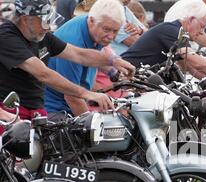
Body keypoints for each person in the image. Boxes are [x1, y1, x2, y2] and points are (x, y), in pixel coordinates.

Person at [0, 0, 134, 128]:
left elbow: (79, 54)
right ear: (25, 19)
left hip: (36, 111)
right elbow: (43, 74)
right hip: (11, 112)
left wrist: (113, 60)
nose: (47, 27)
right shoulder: (6, 37)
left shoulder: (40, 35)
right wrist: (87, 94)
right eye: (44, 21)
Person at [44, 0, 134, 117]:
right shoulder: (73, 40)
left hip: (73, 102)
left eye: (115, 31)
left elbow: (89, 57)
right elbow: (72, 98)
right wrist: (91, 127)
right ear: (91, 21)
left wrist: (115, 73)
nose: (111, 36)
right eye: (106, 30)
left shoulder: (95, 29)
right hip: (55, 109)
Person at [122, 0, 206, 81]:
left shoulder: (179, 33)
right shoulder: (173, 30)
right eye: (202, 26)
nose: (202, 32)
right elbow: (194, 61)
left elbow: (190, 67)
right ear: (191, 20)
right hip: (124, 74)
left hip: (134, 75)